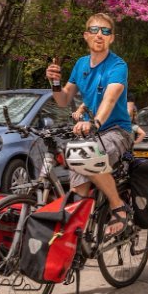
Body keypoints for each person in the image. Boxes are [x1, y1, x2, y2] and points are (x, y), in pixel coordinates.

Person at [46, 13, 133, 238]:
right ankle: (79, 245)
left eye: (105, 31)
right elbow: (63, 99)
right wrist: (55, 82)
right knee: (78, 196)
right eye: (94, 30)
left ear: (111, 38)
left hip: (117, 131)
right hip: (90, 135)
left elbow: (111, 99)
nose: (99, 35)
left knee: (84, 158)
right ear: (86, 36)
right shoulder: (81, 64)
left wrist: (94, 122)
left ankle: (117, 206)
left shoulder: (118, 65)